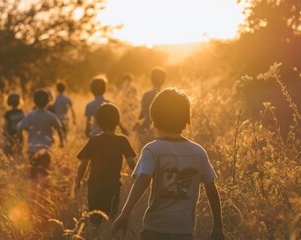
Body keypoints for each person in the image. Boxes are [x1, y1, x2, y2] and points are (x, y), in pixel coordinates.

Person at [112, 88, 224, 240]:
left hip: (154, 229)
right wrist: (217, 226)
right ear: (186, 119)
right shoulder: (198, 152)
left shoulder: (153, 149)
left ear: (154, 120)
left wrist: (125, 214)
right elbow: (211, 189)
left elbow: (143, 179)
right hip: (183, 231)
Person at [75, 103, 136, 239]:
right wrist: (137, 175)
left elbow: (83, 164)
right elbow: (131, 162)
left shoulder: (94, 141)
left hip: (95, 186)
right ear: (117, 121)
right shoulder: (122, 141)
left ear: (98, 122)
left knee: (94, 221)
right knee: (112, 219)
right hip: (113, 186)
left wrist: (77, 182)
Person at [18, 89, 64, 192]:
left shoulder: (30, 115)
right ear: (48, 101)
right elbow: (59, 130)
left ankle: (34, 194)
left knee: (33, 173)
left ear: (34, 101)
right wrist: (61, 142)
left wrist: (20, 141)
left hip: (32, 149)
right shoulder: (51, 116)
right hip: (45, 149)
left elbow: (19, 128)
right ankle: (43, 194)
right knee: (44, 172)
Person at [135, 67, 166, 131]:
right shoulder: (167, 95)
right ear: (163, 80)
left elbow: (142, 113)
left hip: (147, 127)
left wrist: (137, 123)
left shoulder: (147, 95)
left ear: (151, 79)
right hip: (163, 128)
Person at [3, 93, 24, 157]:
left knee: (9, 154)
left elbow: (5, 127)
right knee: (19, 152)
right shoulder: (21, 112)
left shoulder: (8, 113)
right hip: (20, 136)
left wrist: (7, 136)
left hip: (10, 136)